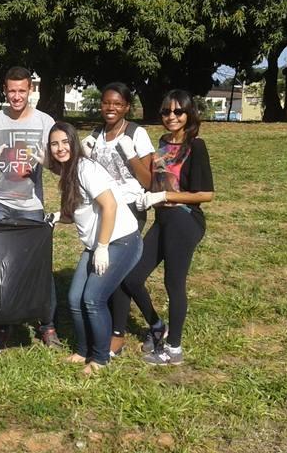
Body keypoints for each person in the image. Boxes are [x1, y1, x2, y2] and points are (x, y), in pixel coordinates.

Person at [122, 89, 214, 366]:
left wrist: (166, 197)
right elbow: (154, 182)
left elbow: (205, 195)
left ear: (189, 114)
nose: (171, 116)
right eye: (166, 111)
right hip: (162, 219)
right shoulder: (161, 144)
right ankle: (157, 324)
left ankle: (173, 349)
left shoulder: (196, 146)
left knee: (173, 283)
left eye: (178, 111)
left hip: (184, 221)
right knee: (132, 277)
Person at [46, 121, 142, 374]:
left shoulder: (86, 168)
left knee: (93, 299)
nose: (60, 148)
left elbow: (109, 206)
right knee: (75, 298)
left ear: (74, 142)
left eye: (65, 142)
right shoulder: (69, 172)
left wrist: (102, 247)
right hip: (97, 243)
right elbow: (80, 211)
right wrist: (58, 216)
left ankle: (100, 358)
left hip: (121, 240)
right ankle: (82, 350)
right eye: (54, 144)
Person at [0, 66, 57, 354]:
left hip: (31, 205)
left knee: (39, 266)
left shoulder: (45, 122)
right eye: (12, 90)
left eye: (22, 90)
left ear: (31, 90)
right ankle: (0, 327)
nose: (17, 96)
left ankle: (47, 324)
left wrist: (45, 161)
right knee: (0, 268)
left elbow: (58, 164)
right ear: (5, 90)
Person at [80, 82, 153, 357]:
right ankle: (111, 324)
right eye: (106, 103)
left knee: (119, 273)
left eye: (117, 104)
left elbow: (149, 180)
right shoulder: (97, 134)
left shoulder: (137, 133)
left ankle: (118, 334)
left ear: (126, 107)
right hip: (106, 209)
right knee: (107, 270)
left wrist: (130, 155)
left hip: (131, 209)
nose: (111, 108)